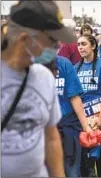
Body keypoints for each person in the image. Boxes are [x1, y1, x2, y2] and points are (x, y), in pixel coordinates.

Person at [1, 0, 76, 177]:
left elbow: (51, 136)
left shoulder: (44, 77)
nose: (55, 48)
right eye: (52, 41)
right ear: (24, 37)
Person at [43, 55, 92, 177]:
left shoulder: (64, 63)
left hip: (68, 124)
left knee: (72, 170)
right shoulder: (28, 64)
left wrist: (86, 126)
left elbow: (75, 97)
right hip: (42, 126)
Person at [75, 34, 101, 177]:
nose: (80, 47)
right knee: (85, 148)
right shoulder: (76, 67)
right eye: (78, 44)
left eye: (83, 44)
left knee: (97, 147)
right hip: (82, 114)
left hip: (98, 112)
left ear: (93, 46)